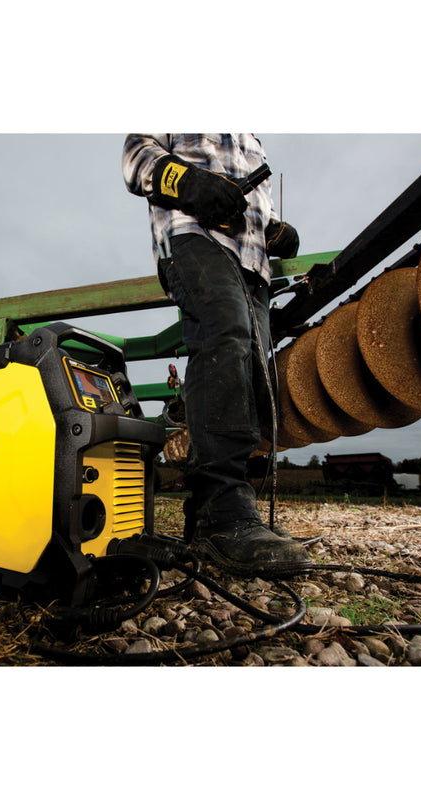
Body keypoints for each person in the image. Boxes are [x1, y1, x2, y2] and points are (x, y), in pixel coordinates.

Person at [122, 134, 312, 575]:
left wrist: (277, 229)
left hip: (253, 261)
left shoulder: (252, 139)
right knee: (224, 331)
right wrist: (187, 182)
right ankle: (219, 509)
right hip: (194, 238)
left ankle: (232, 509)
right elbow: (136, 159)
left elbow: (259, 202)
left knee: (253, 365)